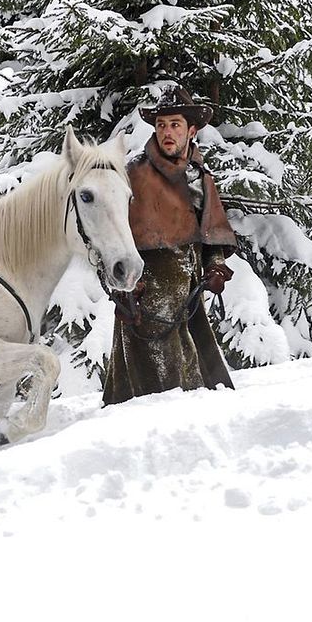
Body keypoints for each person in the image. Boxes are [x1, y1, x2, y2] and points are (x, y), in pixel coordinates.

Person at [102, 85, 238, 404]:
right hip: (146, 300)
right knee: (156, 395)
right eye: (161, 125)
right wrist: (121, 290)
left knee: (196, 388)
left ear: (191, 131)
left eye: (175, 124)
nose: (167, 131)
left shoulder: (200, 175)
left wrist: (216, 266)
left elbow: (210, 233)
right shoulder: (132, 174)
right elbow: (107, 240)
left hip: (188, 300)